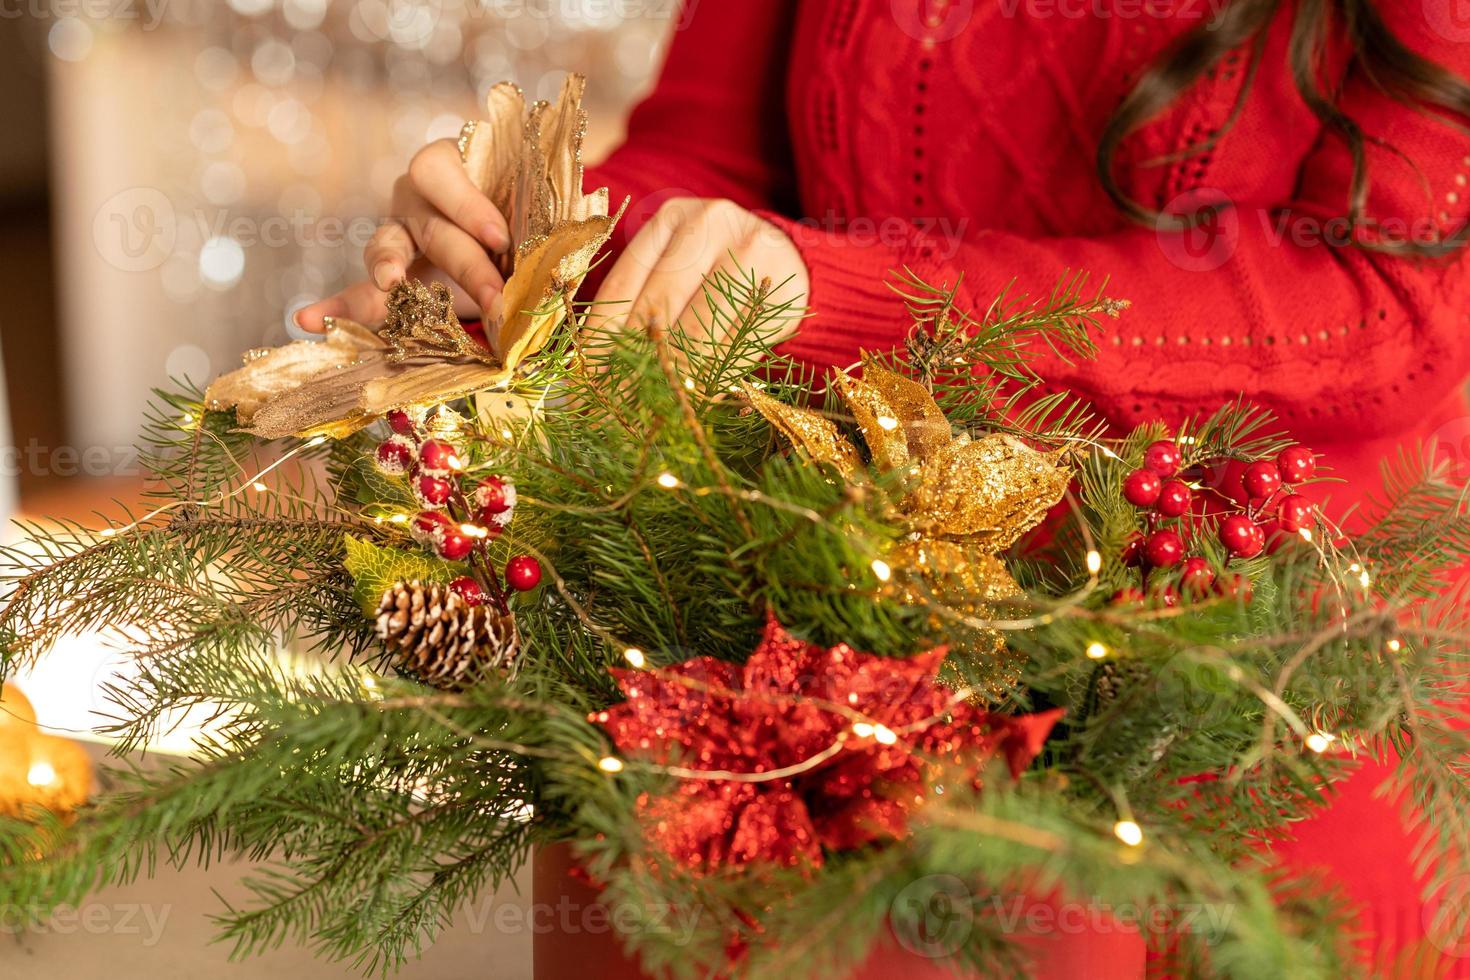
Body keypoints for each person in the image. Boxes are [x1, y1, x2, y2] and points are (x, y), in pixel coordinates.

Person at [298, 0, 1470, 970]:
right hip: (831, 632)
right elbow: (713, 153)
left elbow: (1392, 307)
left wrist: (851, 296)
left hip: (1249, 684)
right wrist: (520, 243)